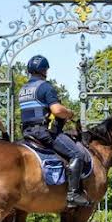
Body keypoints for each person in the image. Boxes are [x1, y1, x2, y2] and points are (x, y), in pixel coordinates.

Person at [17, 55, 91, 207]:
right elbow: (57, 110)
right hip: (43, 132)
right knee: (77, 154)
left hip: (27, 133)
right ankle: (73, 194)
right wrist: (69, 113)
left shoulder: (23, 89)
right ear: (44, 70)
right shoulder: (45, 86)